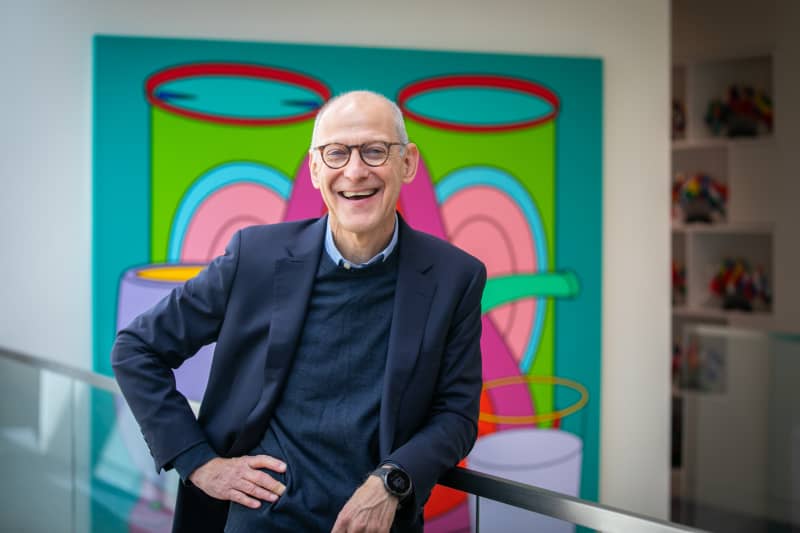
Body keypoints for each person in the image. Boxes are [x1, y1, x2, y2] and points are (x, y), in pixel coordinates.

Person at [112, 90, 486, 533]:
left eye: (374, 151)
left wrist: (393, 480)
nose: (355, 170)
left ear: (407, 163)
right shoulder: (254, 256)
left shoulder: (454, 277)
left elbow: (457, 415)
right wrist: (198, 462)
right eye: (336, 153)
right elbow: (136, 349)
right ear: (314, 168)